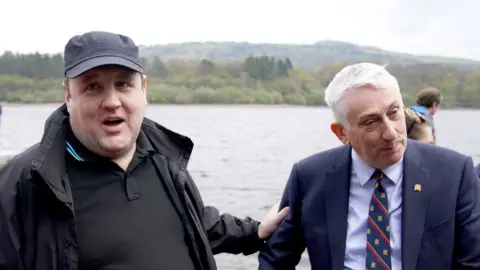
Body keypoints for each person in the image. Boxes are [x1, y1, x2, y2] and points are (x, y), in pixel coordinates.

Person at [0, 31, 289, 270]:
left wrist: (256, 231)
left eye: (123, 84)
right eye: (93, 87)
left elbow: (193, 223)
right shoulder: (22, 183)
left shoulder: (164, 159)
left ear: (143, 90)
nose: (111, 101)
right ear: (68, 95)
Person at [258, 63, 480, 269]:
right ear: (342, 133)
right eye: (371, 122)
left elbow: (472, 262)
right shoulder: (309, 177)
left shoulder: (454, 172)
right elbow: (276, 260)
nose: (391, 133)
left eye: (394, 113)